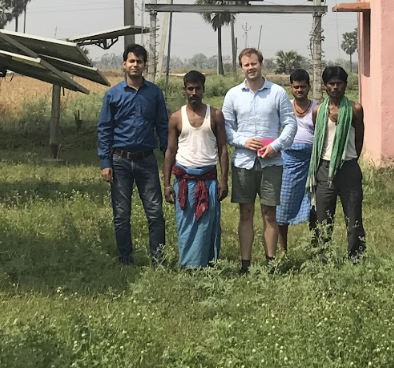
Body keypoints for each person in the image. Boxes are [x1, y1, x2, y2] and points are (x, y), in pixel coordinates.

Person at [222, 48, 296, 273]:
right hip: (244, 162)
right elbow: (224, 128)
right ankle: (245, 264)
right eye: (246, 65)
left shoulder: (277, 93)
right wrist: (243, 141)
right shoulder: (233, 95)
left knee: (269, 213)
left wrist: (275, 146)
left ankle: (270, 262)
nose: (250, 68)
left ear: (261, 64)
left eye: (254, 63)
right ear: (241, 67)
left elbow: (290, 124)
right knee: (245, 212)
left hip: (271, 163)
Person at [97, 44, 169, 266]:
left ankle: (158, 260)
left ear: (144, 65)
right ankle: (125, 260)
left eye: (139, 61)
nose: (135, 65)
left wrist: (168, 157)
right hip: (120, 161)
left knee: (155, 213)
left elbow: (163, 127)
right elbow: (104, 129)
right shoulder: (113, 95)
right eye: (131, 61)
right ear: (124, 64)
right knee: (121, 215)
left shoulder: (154, 93)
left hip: (147, 161)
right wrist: (105, 162)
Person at [163, 70, 228, 268]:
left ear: (203, 89)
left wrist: (224, 180)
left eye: (197, 88)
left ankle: (206, 265)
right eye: (190, 89)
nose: (194, 92)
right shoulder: (176, 118)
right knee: (186, 225)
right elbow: (170, 151)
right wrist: (166, 184)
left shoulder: (215, 115)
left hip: (208, 180)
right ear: (184, 90)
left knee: (207, 225)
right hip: (184, 181)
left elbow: (223, 148)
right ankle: (188, 265)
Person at [307, 66, 366, 261]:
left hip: (348, 168)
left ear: (345, 85)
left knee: (354, 218)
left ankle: (356, 258)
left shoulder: (355, 109)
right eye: (331, 83)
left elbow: (359, 139)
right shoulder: (318, 111)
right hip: (324, 169)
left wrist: (348, 158)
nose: (335, 87)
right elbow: (320, 139)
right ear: (325, 86)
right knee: (323, 219)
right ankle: (323, 258)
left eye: (339, 83)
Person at [276, 68, 318, 254]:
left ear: (308, 87)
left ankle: (315, 248)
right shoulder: (285, 108)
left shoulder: (317, 109)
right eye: (296, 87)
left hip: (310, 163)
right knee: (282, 206)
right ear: (291, 88)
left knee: (314, 208)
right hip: (287, 163)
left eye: (303, 86)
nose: (299, 90)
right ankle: (283, 250)